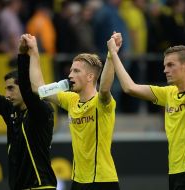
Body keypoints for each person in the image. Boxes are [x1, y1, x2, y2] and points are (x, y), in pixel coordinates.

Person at [107, 12, 185, 190]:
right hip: (174, 172)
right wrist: (113, 54)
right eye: (164, 66)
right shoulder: (168, 93)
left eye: (170, 65)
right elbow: (129, 87)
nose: (165, 70)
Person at [21, 32, 122, 190]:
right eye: (70, 71)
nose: (70, 75)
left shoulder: (101, 103)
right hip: (78, 181)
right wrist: (34, 51)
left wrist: (111, 55)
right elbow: (38, 89)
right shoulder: (71, 100)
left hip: (103, 181)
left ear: (90, 77)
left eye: (76, 71)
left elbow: (104, 88)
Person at [0, 35, 57, 190]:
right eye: (6, 89)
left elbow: (27, 89)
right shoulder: (11, 111)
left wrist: (23, 55)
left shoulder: (41, 111)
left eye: (11, 88)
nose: (7, 94)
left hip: (41, 186)